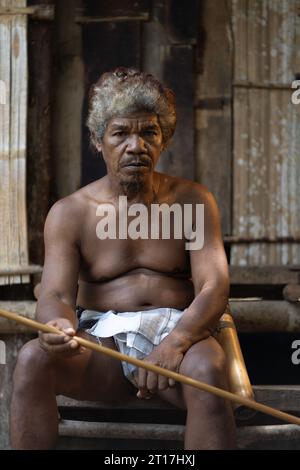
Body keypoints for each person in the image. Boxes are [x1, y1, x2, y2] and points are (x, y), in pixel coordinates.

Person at [10, 68, 236, 449]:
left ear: (163, 138)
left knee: (210, 371)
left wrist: (177, 342)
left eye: (149, 132)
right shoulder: (71, 213)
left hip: (179, 338)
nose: (136, 146)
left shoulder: (193, 200)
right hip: (103, 346)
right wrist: (56, 326)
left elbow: (215, 286)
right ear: (98, 141)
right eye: (121, 134)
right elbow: (57, 295)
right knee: (33, 360)